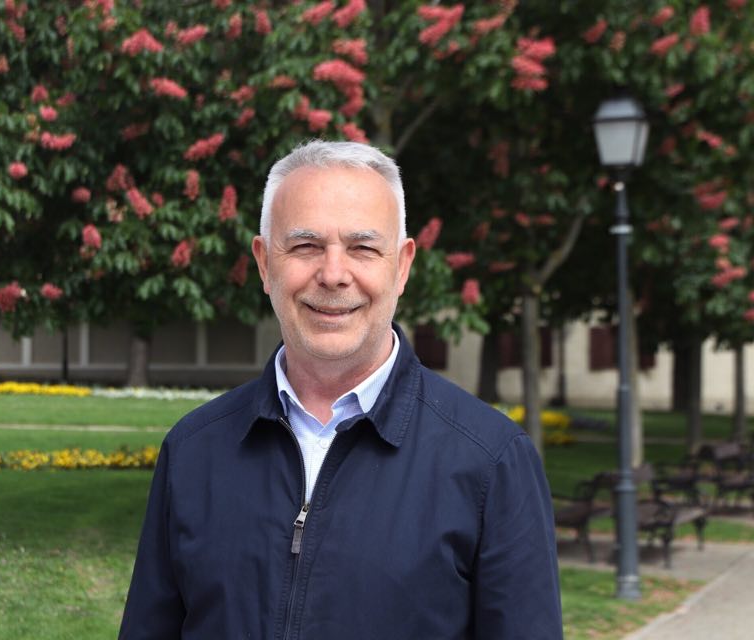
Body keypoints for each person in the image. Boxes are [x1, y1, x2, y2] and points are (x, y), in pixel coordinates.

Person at [119, 141, 562, 639]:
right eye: (305, 246)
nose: (332, 274)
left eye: (362, 248)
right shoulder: (193, 450)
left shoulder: (492, 462)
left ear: (402, 267)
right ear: (264, 264)